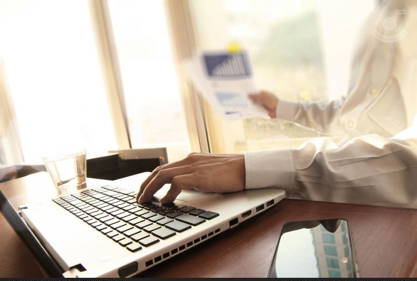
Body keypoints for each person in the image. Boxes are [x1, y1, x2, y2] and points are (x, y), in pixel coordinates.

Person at [137, 0, 417, 209]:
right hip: (350, 193)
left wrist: (250, 168)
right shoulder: (380, 16)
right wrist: (281, 107)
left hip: (389, 206)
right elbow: (354, 111)